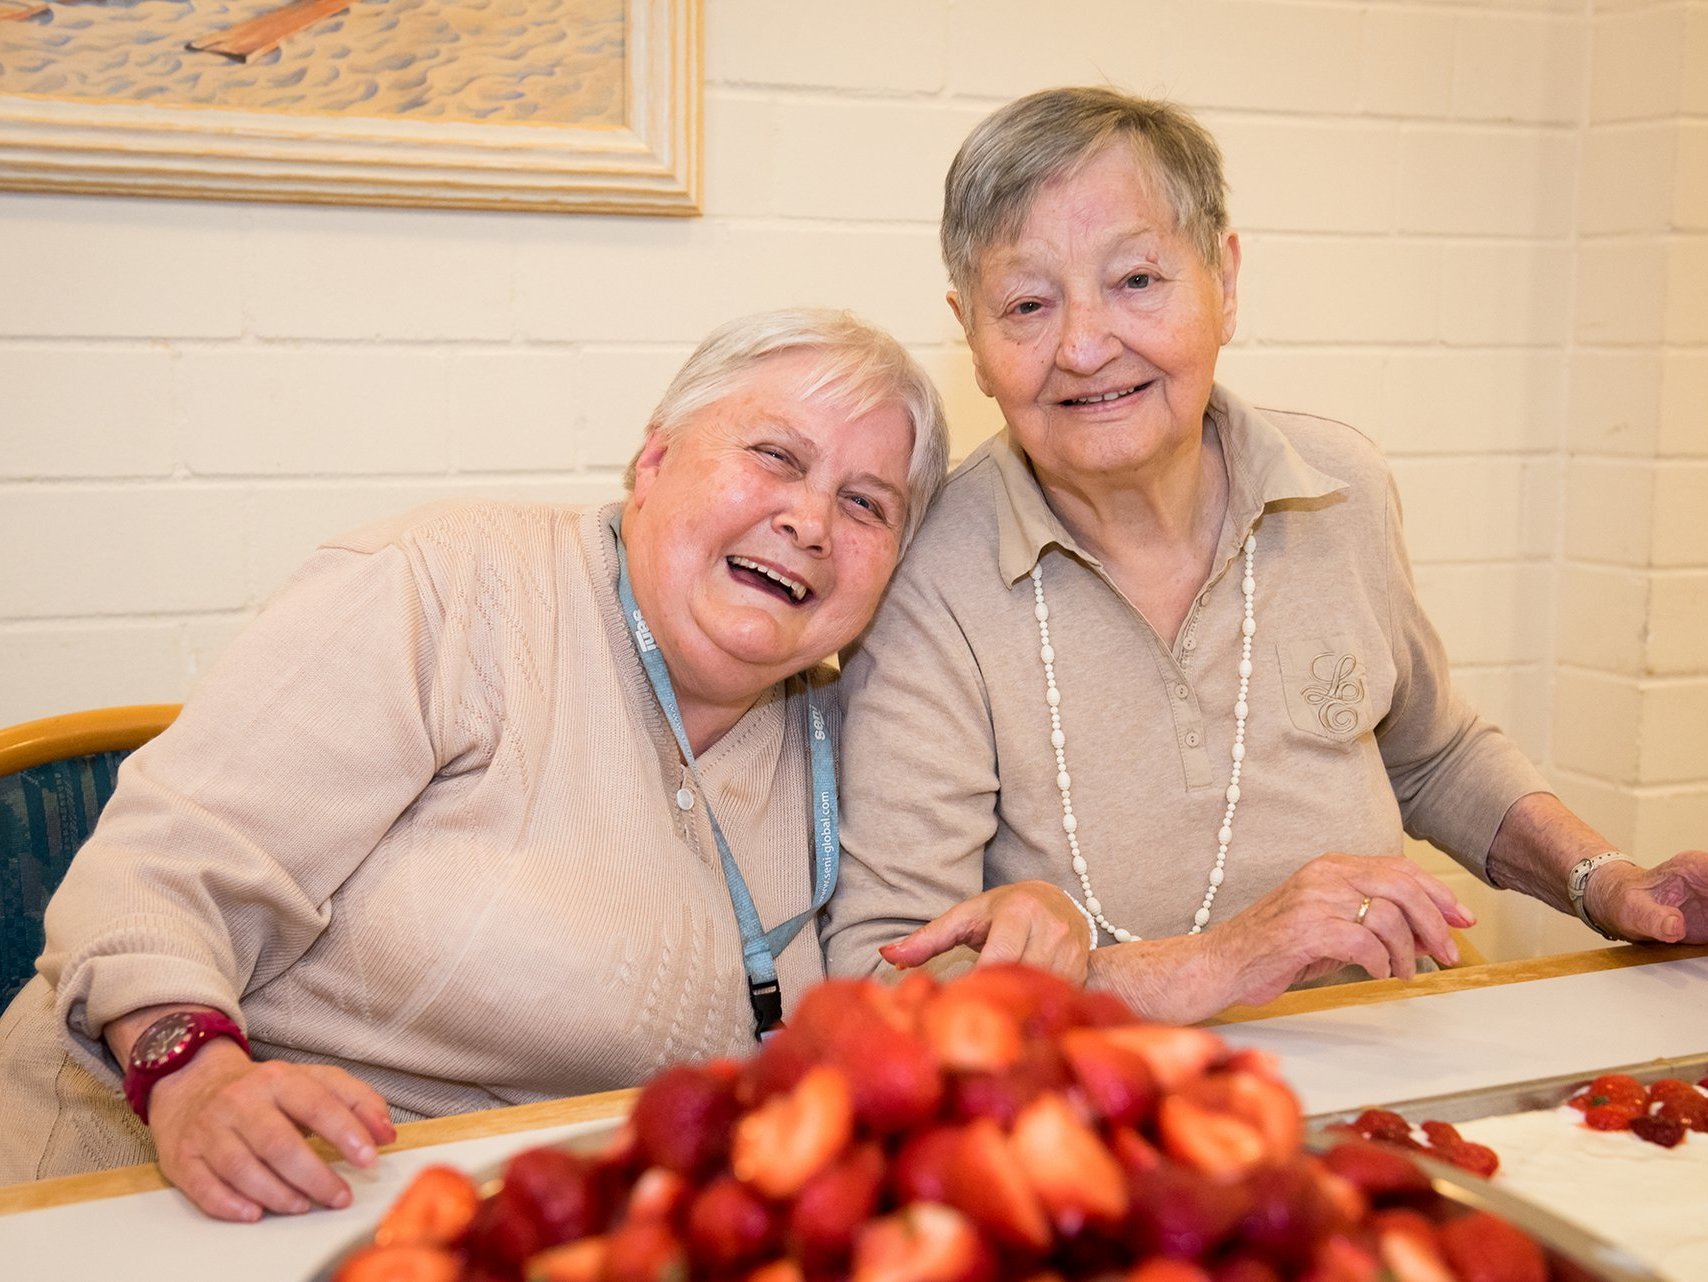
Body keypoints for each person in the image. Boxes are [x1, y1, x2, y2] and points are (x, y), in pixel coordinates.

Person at [0, 308, 948, 1221]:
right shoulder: (447, 586)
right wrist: (194, 1076)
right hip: (162, 1188)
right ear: (653, 460)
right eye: (776, 456)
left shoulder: (844, 722)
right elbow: (156, 874)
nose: (812, 522)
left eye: (867, 505)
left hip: (520, 1225)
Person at [822, 87, 1708, 1021]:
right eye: (1029, 303)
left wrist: (1605, 884)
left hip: (1388, 1055)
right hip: (1102, 1107)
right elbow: (886, 982)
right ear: (974, 335)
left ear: (1226, 283)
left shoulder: (1339, 486)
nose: (1084, 346)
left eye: (1136, 281)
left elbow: (1433, 753)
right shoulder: (925, 577)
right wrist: (1225, 959)